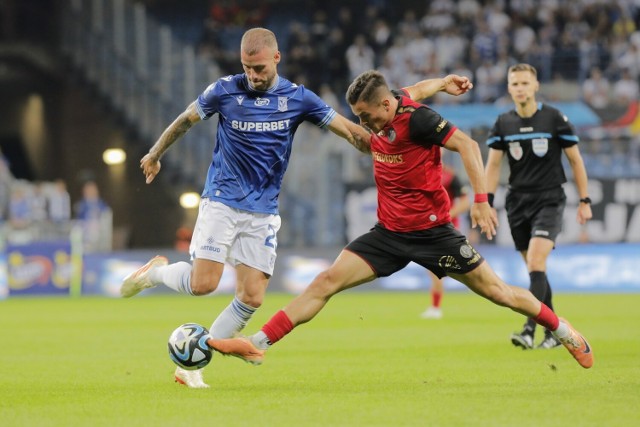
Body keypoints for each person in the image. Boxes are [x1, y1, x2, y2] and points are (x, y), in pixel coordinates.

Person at [119, 27, 474, 389]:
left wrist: (394, 144)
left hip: (263, 210)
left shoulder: (299, 98)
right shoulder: (224, 90)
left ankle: (192, 367)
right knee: (203, 284)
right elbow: (185, 119)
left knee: (252, 296)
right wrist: (155, 152)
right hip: (222, 200)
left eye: (259, 68)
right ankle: (155, 273)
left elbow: (352, 132)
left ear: (276, 59)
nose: (253, 76)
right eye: (247, 68)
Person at [206, 70, 594, 371]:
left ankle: (564, 331)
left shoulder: (420, 121)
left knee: (501, 294)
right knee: (324, 282)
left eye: (366, 116)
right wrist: (442, 81)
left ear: (386, 105)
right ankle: (258, 343)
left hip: (433, 234)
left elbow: (468, 145)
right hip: (388, 234)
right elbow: (417, 88)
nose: (364, 125)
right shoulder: (397, 100)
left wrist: (480, 200)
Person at [484, 63, 593, 350]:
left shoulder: (555, 118)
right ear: (509, 88)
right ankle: (556, 333)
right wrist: (487, 201)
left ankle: (529, 329)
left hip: (549, 198)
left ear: (535, 86)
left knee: (535, 263)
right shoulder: (503, 123)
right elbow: (493, 165)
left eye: (524, 83)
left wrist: (584, 200)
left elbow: (575, 161)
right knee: (537, 272)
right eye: (515, 84)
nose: (520, 88)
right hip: (517, 202)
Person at [421, 163, 470, 319]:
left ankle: (435, 308)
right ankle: (435, 307)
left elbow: (465, 202)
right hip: (427, 227)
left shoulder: (450, 176)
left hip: (447, 229)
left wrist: (447, 215)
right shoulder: (418, 172)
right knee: (435, 268)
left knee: (439, 268)